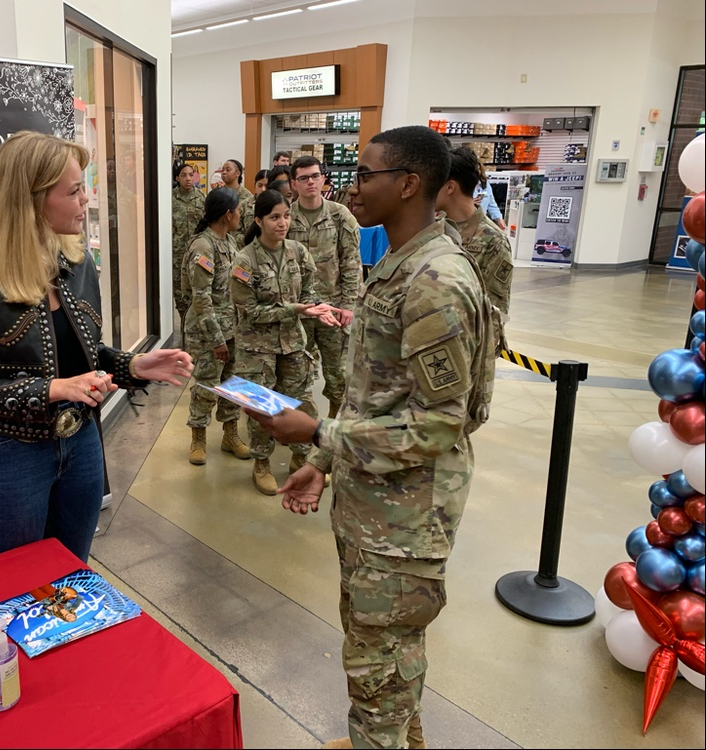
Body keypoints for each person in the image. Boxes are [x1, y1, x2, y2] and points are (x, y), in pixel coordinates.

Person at [249, 126, 491, 749]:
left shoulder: (436, 280)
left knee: (378, 661)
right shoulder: (397, 263)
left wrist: (318, 430)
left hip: (407, 517)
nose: (349, 186)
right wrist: (325, 461)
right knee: (380, 644)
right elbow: (374, 392)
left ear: (408, 183)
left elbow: (441, 424)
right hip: (374, 503)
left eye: (364, 174)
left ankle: (378, 740)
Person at [0, 131, 194, 562]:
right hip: (12, 454)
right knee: (17, 587)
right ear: (32, 199)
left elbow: (83, 354)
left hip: (81, 443)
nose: (86, 199)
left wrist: (133, 366)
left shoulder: (76, 261)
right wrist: (54, 389)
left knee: (72, 577)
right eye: (74, 191)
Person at [230, 188, 340, 496]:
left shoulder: (298, 252)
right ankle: (261, 463)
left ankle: (301, 457)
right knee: (262, 408)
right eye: (275, 217)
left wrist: (315, 308)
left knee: (301, 402)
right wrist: (297, 309)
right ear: (259, 221)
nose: (283, 223)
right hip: (256, 348)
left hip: (293, 343)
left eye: (287, 216)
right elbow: (249, 311)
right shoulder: (244, 260)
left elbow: (309, 292)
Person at [288, 155, 361, 426]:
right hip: (300, 310)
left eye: (315, 176)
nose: (311, 182)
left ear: (323, 179)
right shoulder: (285, 216)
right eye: (304, 178)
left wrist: (349, 305)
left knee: (338, 374)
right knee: (297, 373)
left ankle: (335, 425)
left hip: (333, 309)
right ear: (294, 183)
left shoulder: (340, 216)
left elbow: (351, 264)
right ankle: (300, 428)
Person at [181, 186, 250, 465]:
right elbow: (200, 298)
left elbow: (239, 279)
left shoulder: (230, 242)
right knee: (207, 384)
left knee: (233, 384)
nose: (241, 215)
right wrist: (216, 339)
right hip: (208, 332)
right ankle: (198, 437)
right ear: (228, 213)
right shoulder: (203, 246)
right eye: (238, 211)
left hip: (232, 327)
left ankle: (230, 434)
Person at [437, 146, 514, 320]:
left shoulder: (493, 241)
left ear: (450, 187)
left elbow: (495, 313)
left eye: (434, 182)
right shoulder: (434, 229)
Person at [172, 161, 205, 337]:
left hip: (197, 255)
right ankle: (185, 332)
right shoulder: (170, 199)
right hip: (176, 256)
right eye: (183, 175)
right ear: (177, 178)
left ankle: (197, 332)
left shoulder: (201, 198)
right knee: (181, 297)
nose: (188, 179)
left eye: (191, 175)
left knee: (197, 294)